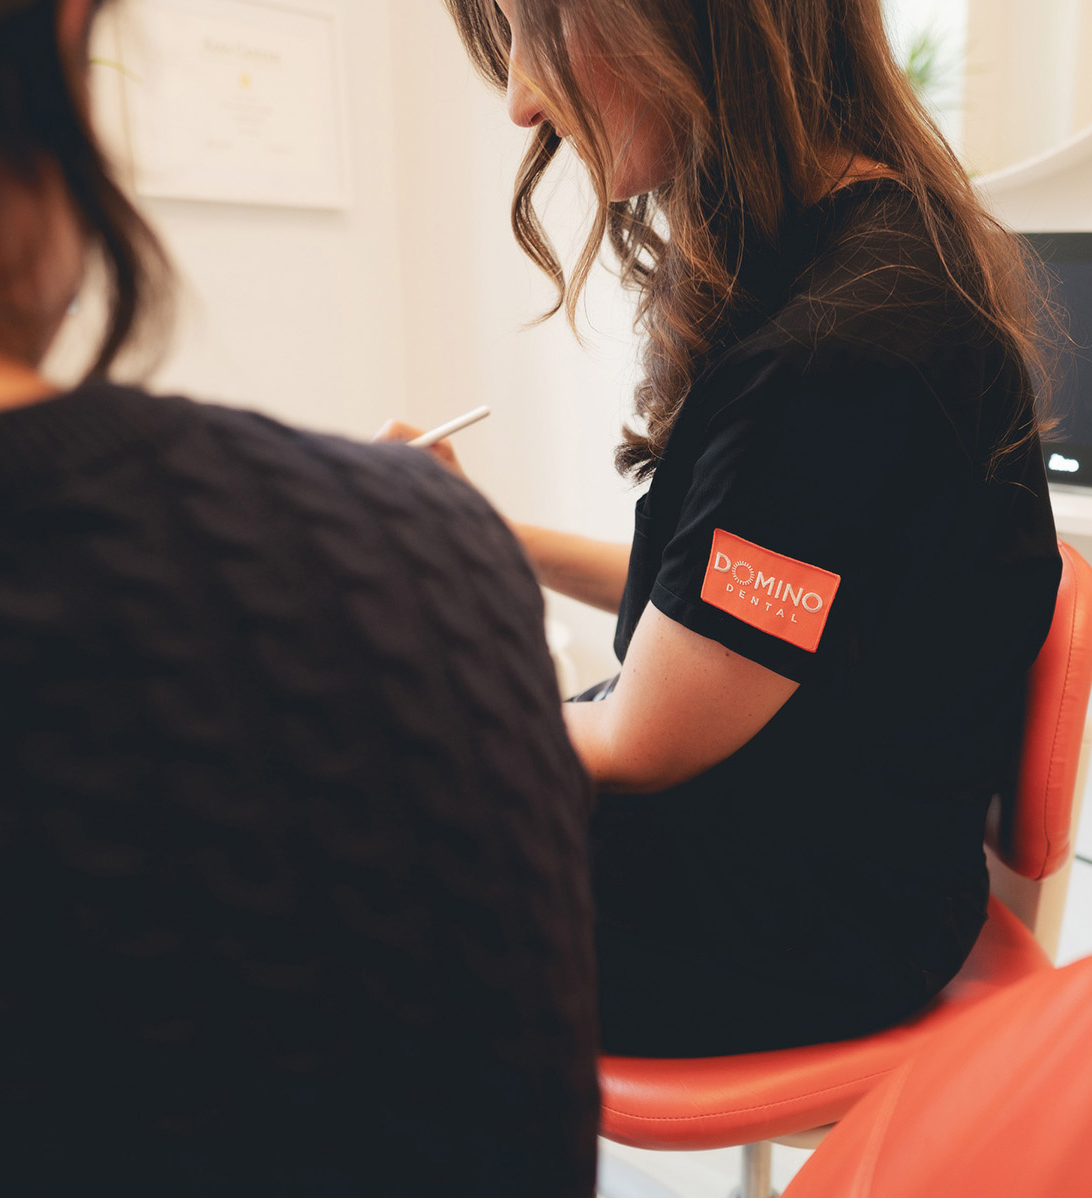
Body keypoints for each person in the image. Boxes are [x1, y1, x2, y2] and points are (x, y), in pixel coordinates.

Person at [0, 1, 599, 1193]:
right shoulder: (403, 559)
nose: (516, 106)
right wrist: (456, 557)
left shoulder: (820, 359)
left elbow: (680, 673)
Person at [380, 0, 1063, 1057]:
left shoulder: (839, 356)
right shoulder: (868, 254)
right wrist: (483, 533)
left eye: (536, 28)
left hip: (798, 928)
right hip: (803, 851)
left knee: (321, 853)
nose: (519, 100)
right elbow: (716, 611)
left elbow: (642, 736)